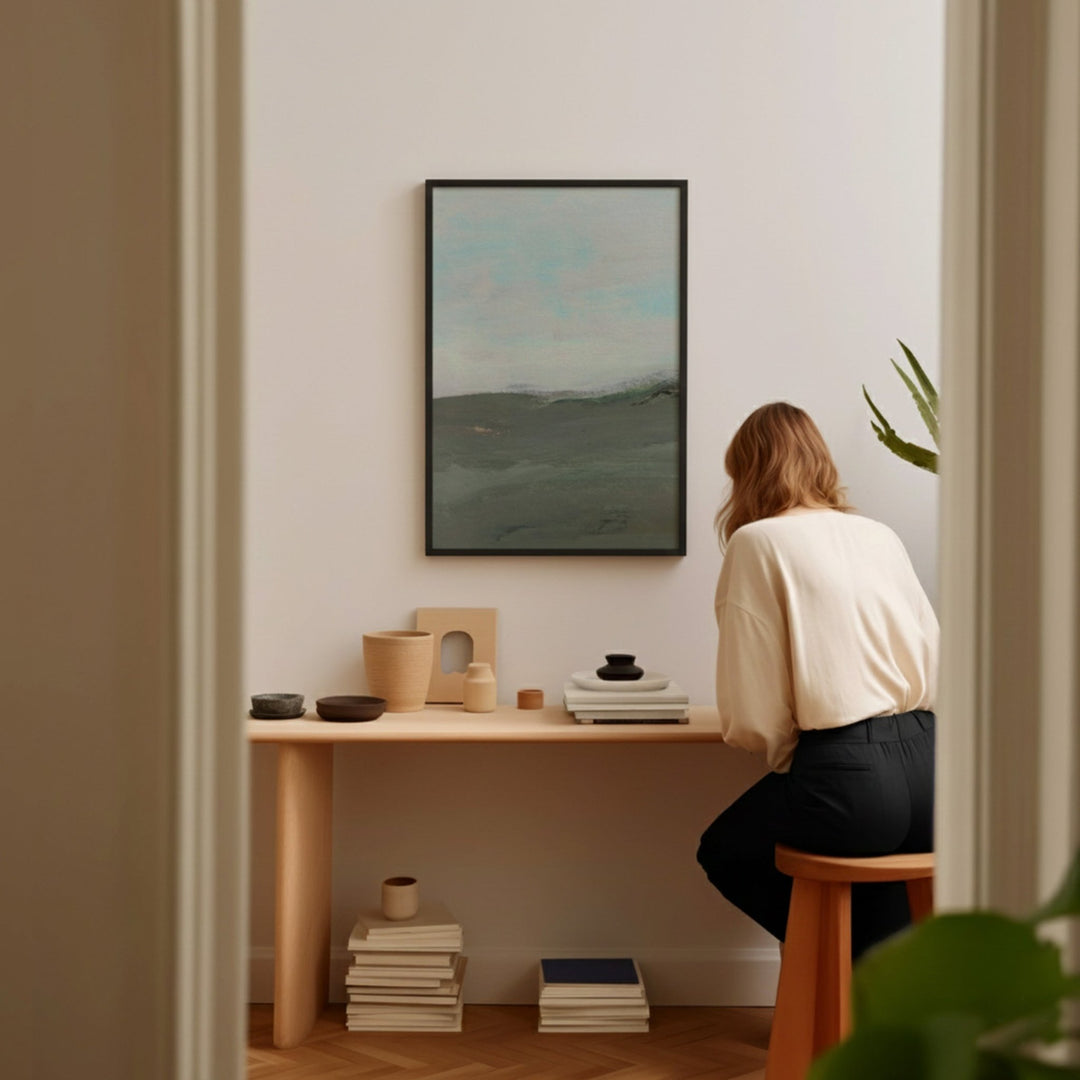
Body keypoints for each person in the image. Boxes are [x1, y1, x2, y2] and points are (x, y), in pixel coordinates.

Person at [696, 402, 939, 959]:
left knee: (727, 850)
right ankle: (871, 986)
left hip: (851, 777)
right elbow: (934, 654)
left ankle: (829, 967)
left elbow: (753, 713)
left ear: (748, 472)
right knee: (876, 878)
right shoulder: (879, 535)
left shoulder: (758, 541)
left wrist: (795, 757)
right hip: (932, 773)